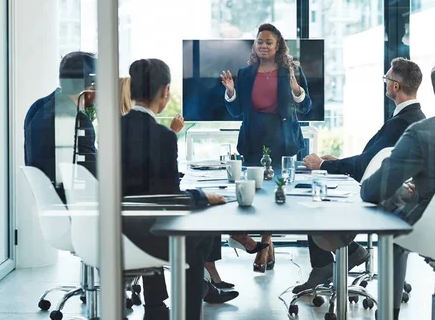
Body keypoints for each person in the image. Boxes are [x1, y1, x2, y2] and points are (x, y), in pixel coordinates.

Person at [294, 58, 426, 293]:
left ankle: (330, 263)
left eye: (386, 79)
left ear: (395, 86)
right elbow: (373, 159)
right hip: (392, 195)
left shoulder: (403, 123)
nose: (384, 83)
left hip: (381, 199)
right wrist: (335, 162)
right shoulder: (415, 118)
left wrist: (322, 164)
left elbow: (366, 165)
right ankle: (350, 253)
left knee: (314, 204)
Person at [121, 59, 238, 320]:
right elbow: (170, 201)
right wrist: (202, 196)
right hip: (147, 233)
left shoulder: (111, 129)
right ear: (165, 91)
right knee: (201, 233)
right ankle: (191, 308)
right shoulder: (162, 136)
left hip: (115, 229)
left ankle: (155, 307)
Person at [319, 66, 435, 320]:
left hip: (428, 231)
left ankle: (389, 313)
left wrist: (397, 193)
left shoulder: (422, 132)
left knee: (393, 225)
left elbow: (372, 190)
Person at [220, 23, 312, 272]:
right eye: (260, 41)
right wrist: (230, 92)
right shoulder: (245, 73)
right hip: (253, 140)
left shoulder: (291, 70)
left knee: (275, 195)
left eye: (269, 42)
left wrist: (296, 89)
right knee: (254, 193)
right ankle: (264, 246)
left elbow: (306, 107)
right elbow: (237, 111)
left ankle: (265, 243)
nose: (263, 45)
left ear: (278, 45)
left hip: (282, 140)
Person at [24, 51, 97, 203]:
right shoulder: (79, 121)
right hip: (72, 207)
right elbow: (92, 176)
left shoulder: (36, 108)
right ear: (90, 87)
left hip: (49, 205)